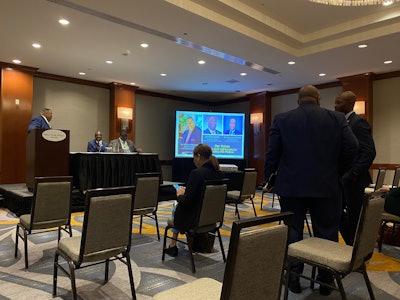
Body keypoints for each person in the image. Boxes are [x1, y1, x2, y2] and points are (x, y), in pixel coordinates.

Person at [263, 85, 358, 295]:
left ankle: (294, 279)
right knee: (326, 232)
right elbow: (353, 147)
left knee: (293, 231)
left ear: (298, 100)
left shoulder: (282, 119)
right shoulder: (337, 119)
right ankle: (325, 281)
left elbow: (272, 154)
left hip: (291, 186)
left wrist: (268, 180)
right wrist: (336, 170)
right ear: (318, 99)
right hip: (327, 185)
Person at [164, 143, 224, 257]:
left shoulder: (196, 173)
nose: (193, 161)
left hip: (195, 219)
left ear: (199, 156)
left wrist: (179, 194)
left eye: (193, 158)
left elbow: (187, 202)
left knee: (177, 207)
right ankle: (173, 245)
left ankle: (172, 245)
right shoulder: (219, 174)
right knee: (178, 207)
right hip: (213, 218)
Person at [335, 91, 376, 246]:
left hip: (355, 180)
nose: (335, 105)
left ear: (349, 104)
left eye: (339, 102)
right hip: (342, 179)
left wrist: (353, 173)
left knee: (354, 217)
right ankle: (353, 246)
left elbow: (369, 152)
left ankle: (357, 251)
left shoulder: (358, 123)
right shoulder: (341, 122)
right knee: (339, 214)